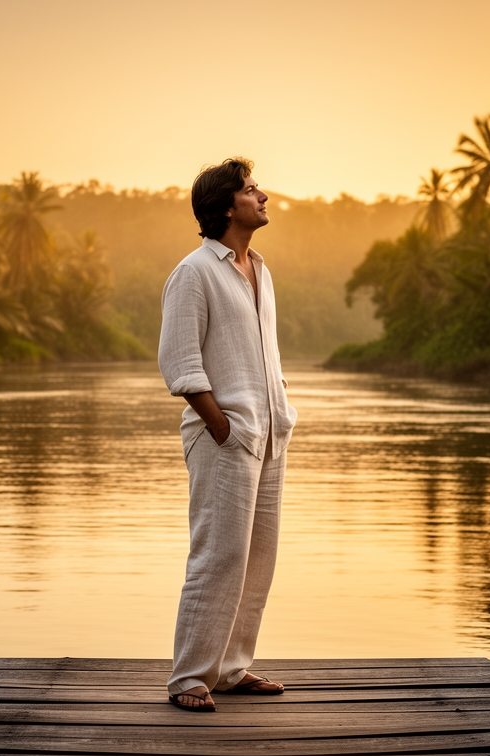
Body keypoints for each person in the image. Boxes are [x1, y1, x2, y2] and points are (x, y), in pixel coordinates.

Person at [157, 157, 297, 712]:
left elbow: (267, 357)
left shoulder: (260, 269)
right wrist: (222, 425)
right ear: (224, 207)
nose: (262, 196)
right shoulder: (194, 272)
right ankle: (189, 677)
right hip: (225, 437)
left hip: (269, 435)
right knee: (217, 555)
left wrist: (280, 415)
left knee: (258, 557)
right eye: (250, 190)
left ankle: (233, 667)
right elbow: (180, 363)